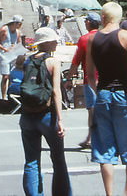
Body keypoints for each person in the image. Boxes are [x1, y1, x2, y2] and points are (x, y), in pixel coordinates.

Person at [85, 1, 127, 196]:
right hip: (125, 95)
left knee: (105, 149)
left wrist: (98, 91)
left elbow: (90, 74)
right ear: (120, 17)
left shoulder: (93, 39)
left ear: (103, 17)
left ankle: (109, 193)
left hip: (104, 94)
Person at [19, 27, 72, 196]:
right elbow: (56, 91)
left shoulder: (27, 61)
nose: (56, 42)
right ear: (46, 43)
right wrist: (60, 120)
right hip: (47, 115)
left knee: (31, 161)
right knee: (58, 160)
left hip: (27, 114)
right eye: (54, 40)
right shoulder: (53, 62)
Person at [67, 12, 101, 149]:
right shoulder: (106, 36)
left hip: (91, 80)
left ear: (88, 22)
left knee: (92, 111)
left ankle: (93, 140)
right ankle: (91, 138)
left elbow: (76, 62)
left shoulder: (84, 39)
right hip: (108, 80)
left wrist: (69, 78)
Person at [0, 15, 26, 99]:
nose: (20, 26)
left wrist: (21, 51)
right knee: (5, 76)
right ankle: (3, 96)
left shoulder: (18, 32)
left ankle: (10, 95)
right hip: (4, 55)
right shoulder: (4, 29)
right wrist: (3, 48)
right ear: (14, 23)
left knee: (12, 76)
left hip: (13, 55)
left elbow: (19, 43)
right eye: (19, 24)